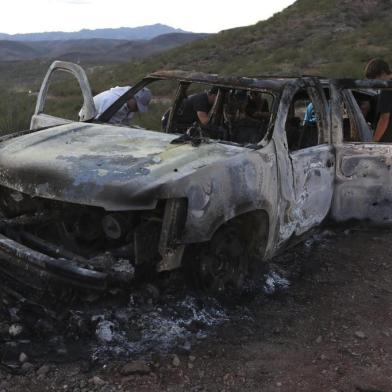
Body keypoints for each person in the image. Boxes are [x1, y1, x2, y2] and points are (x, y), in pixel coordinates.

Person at [364, 58, 392, 142]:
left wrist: (374, 142)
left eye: (374, 81)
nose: (373, 86)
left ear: (382, 73)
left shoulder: (387, 88)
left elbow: (384, 119)